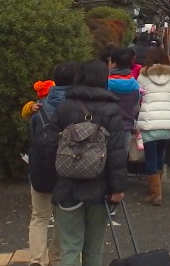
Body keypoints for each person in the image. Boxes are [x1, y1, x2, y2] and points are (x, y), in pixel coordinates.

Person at [50, 58, 128, 266]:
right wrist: (117, 188)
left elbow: (47, 145)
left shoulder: (65, 107)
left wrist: (47, 183)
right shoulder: (112, 110)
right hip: (99, 189)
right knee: (93, 248)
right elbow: (117, 152)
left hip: (67, 187)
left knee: (70, 247)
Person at [25, 62, 76, 266]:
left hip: (41, 166)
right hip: (68, 168)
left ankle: (36, 260)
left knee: (39, 216)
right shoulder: (77, 107)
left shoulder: (40, 104)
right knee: (63, 217)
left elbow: (33, 134)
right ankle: (57, 258)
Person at [135, 47, 170, 205]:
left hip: (149, 123)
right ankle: (157, 189)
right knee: (160, 156)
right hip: (167, 123)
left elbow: (138, 99)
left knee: (151, 158)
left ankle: (156, 194)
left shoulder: (142, 77)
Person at [105, 46, 141, 142]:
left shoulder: (106, 83)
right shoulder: (135, 84)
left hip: (107, 127)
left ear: (114, 64)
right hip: (127, 127)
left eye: (109, 61)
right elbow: (136, 106)